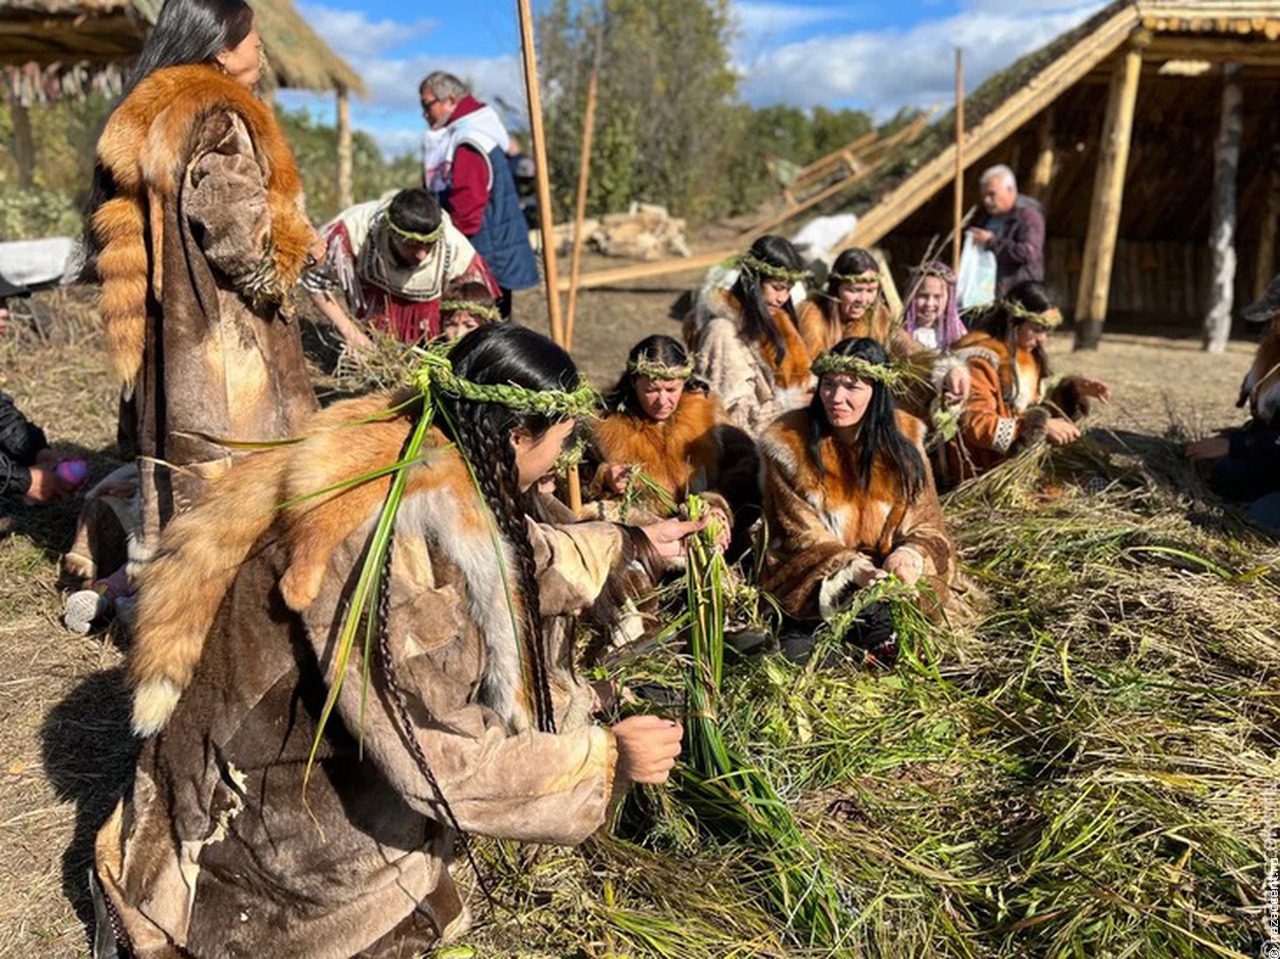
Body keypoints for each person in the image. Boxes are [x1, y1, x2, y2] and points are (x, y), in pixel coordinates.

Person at [93, 325, 700, 958]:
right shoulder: (387, 543)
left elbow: (518, 556)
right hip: (252, 815)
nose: (563, 461)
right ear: (517, 433)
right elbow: (433, 748)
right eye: (561, 443)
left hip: (285, 748)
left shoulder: (430, 450)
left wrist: (631, 542)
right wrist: (601, 763)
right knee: (377, 905)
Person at [86, 0, 319, 555]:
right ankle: (206, 602)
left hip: (172, 328)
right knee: (236, 472)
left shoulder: (157, 112)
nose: (261, 50)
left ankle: (142, 580)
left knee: (174, 468)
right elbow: (239, 235)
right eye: (254, 41)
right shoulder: (219, 117)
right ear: (221, 48)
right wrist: (294, 244)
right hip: (221, 335)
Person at [759, 338, 956, 665]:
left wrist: (908, 556)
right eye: (830, 384)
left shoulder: (905, 444)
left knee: (898, 622)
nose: (837, 398)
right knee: (811, 642)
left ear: (876, 392)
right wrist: (852, 569)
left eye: (852, 387)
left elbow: (928, 525)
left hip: (887, 581)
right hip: (823, 580)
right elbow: (798, 537)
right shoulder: (789, 445)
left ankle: (870, 648)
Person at [590, 335, 761, 555]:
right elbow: (576, 482)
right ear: (634, 382)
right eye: (652, 390)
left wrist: (718, 506)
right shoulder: (605, 424)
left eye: (671, 390)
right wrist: (605, 478)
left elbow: (748, 463)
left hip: (712, 540)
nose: (662, 401)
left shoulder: (706, 411)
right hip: (648, 547)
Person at [938, 282, 1110, 485]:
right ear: (1014, 320)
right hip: (984, 468)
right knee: (1071, 485)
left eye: (1047, 331)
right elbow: (975, 424)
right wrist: (1038, 428)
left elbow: (1035, 402)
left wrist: (1072, 389)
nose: (1042, 339)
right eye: (1037, 329)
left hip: (1019, 457)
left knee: (1094, 475)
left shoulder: (1026, 353)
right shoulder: (980, 359)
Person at [307, 188, 498, 350]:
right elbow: (315, 282)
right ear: (390, 232)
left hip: (429, 337)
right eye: (411, 245)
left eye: (429, 245)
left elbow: (476, 308)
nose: (421, 255)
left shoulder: (456, 249)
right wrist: (352, 334)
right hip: (373, 320)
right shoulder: (353, 230)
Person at [421, 72, 539, 317]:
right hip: (491, 251)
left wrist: (451, 251)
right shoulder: (476, 132)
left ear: (450, 100)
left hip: (485, 256)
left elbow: (467, 208)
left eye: (427, 104)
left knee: (484, 329)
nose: (424, 113)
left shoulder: (469, 142)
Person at [692, 235, 813, 436]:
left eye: (788, 290)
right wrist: (792, 406)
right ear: (754, 281)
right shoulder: (722, 332)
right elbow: (731, 415)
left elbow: (802, 378)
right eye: (777, 287)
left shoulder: (779, 321)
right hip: (744, 451)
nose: (783, 298)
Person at [1186, 275, 1280, 527]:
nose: (1275, 326)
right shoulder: (1272, 356)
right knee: (1223, 473)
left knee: (1259, 517)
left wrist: (1238, 445)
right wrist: (1234, 439)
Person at [797, 247, 912, 359]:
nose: (862, 299)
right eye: (854, 290)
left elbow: (905, 346)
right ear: (836, 289)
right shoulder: (812, 316)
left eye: (870, 290)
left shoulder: (879, 317)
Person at [967, 165, 1045, 297]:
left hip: (1021, 293)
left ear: (1010, 190)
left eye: (992, 194)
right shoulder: (984, 217)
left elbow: (1028, 253)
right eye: (984, 195)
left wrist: (991, 242)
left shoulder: (1028, 216)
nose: (987, 200)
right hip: (989, 292)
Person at [903, 261, 967, 352]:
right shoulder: (903, 334)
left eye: (937, 297)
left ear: (948, 299)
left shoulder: (956, 334)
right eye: (923, 296)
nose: (929, 303)